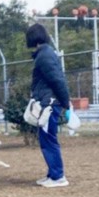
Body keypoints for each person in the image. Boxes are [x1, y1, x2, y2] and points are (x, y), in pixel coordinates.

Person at [26, 23, 71, 188]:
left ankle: (58, 176)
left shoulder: (44, 56)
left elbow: (57, 80)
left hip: (48, 104)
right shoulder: (45, 54)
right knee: (47, 138)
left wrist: (66, 102)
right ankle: (53, 174)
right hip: (49, 102)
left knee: (48, 139)